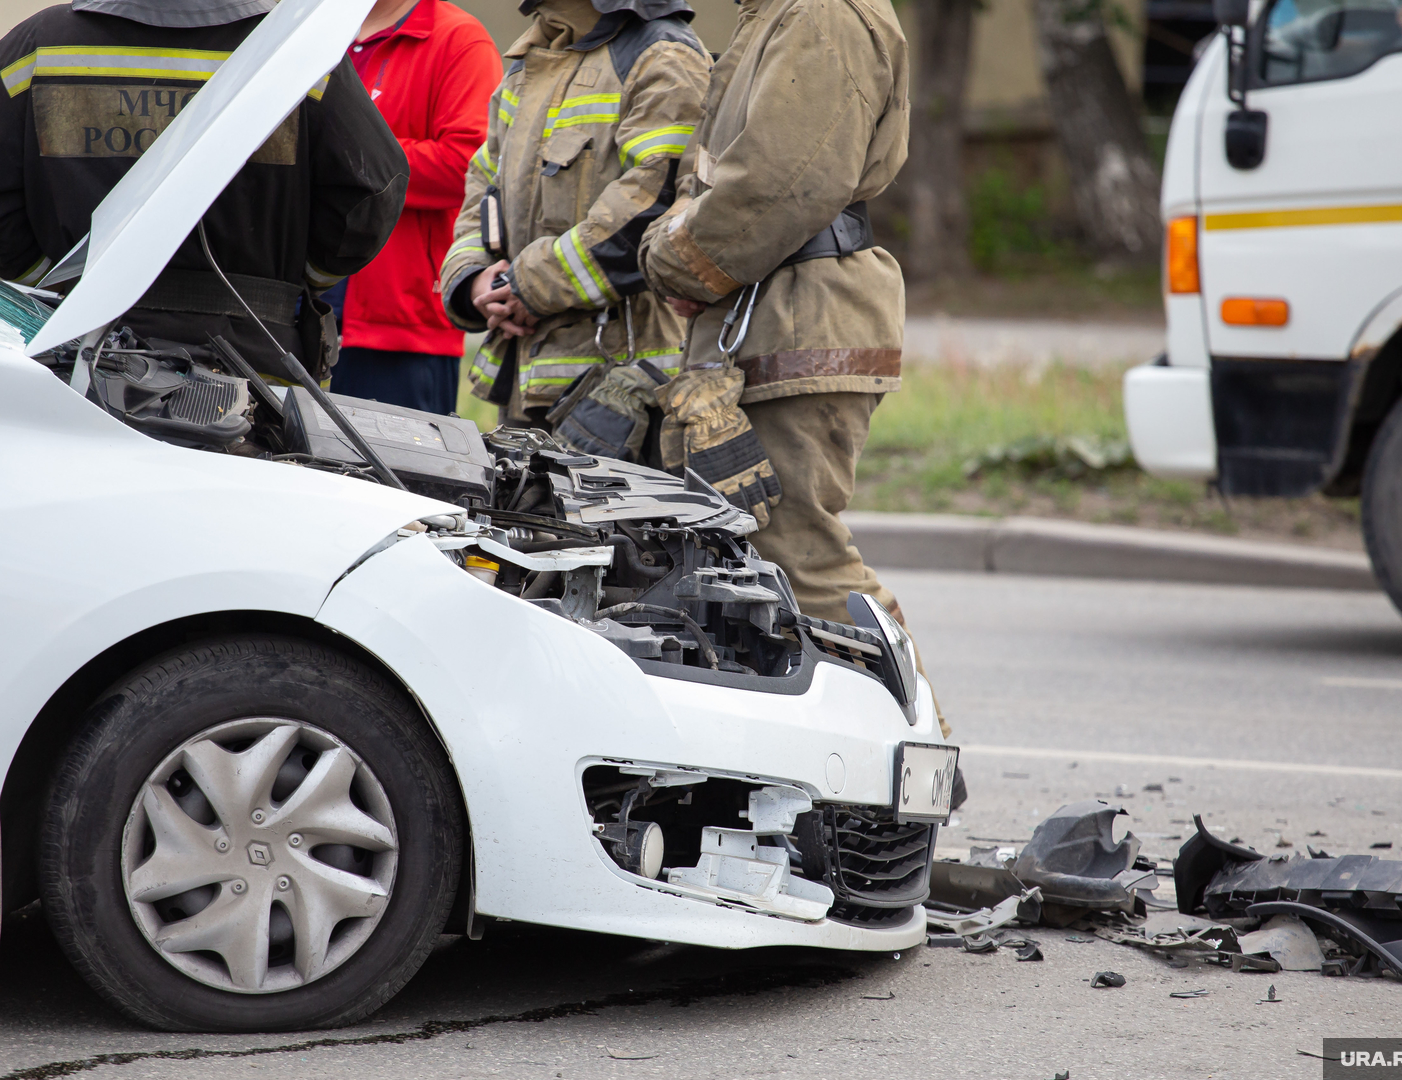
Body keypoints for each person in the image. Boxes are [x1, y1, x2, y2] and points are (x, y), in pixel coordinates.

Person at [638, 0, 950, 733]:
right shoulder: (777, 13)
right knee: (754, 562)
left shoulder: (819, 12)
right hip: (769, 313)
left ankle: (913, 756)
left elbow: (780, 179)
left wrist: (683, 263)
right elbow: (716, 174)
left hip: (799, 320)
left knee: (798, 557)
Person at [0, 0, 408, 382]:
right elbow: (373, 191)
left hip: (77, 362)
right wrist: (290, 281)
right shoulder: (299, 52)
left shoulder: (37, 47)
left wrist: (52, 287)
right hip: (252, 372)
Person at [438, 0, 709, 450]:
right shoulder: (531, 61)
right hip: (530, 386)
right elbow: (482, 185)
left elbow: (653, 202)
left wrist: (528, 284)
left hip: (625, 394)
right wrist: (473, 279)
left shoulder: (662, 54)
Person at [326, 0, 502, 415]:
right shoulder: (312, 33)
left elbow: (468, 164)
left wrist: (345, 157)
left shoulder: (459, 40)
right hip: (289, 311)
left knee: (393, 479)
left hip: (402, 324)